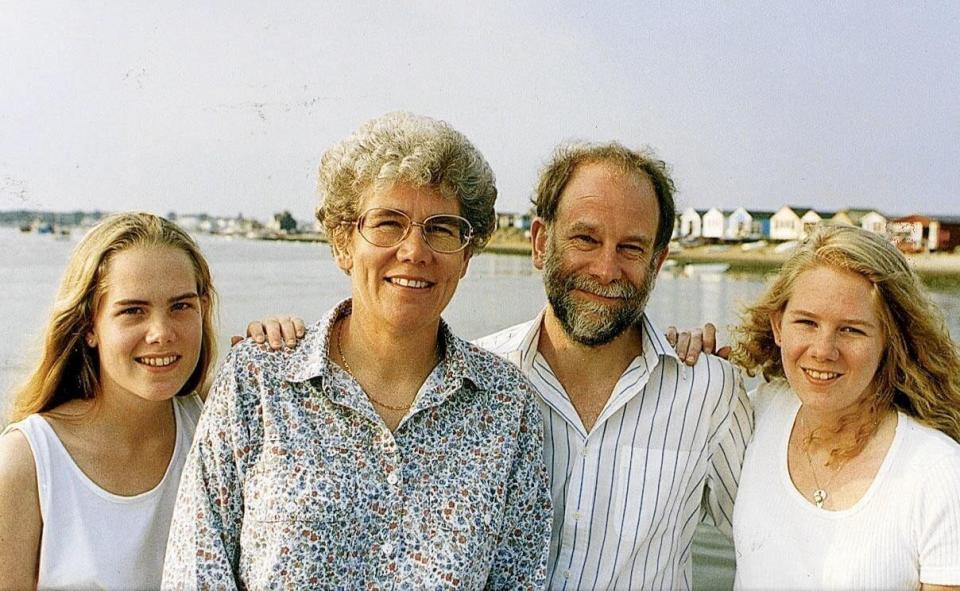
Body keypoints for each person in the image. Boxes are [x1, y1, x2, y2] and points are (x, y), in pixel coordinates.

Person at [251, 140, 752, 589]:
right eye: (585, 239)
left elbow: (776, 534)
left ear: (657, 262)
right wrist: (286, 344)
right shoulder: (468, 385)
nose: (606, 267)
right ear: (539, 242)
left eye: (630, 248)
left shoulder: (708, 390)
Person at [161, 112, 552, 589]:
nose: (414, 250)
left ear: (466, 255)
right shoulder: (257, 381)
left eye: (442, 228)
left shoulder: (508, 408)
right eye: (388, 223)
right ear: (343, 242)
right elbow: (198, 571)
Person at [727, 225, 960, 590]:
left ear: (890, 340)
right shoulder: (757, 413)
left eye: (851, 330)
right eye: (806, 322)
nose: (823, 350)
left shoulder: (939, 473)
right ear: (778, 325)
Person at [0, 212, 216, 590]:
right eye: (133, 310)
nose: (162, 333)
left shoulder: (216, 426)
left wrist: (278, 345)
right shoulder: (27, 463)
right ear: (88, 326)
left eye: (181, 306)